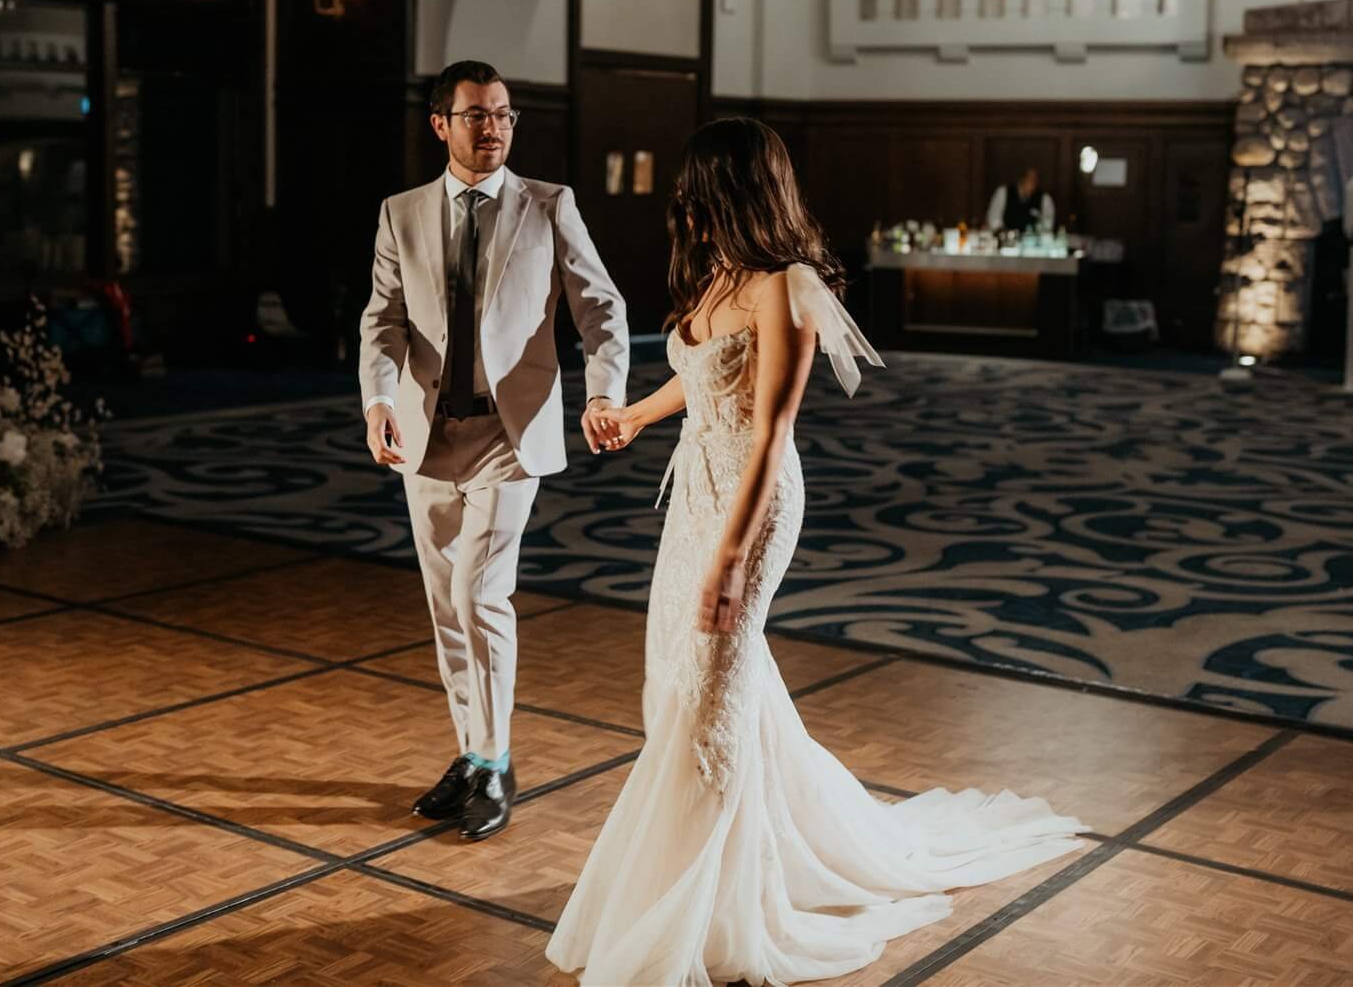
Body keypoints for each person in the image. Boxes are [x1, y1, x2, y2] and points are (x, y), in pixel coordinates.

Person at [549, 118, 1084, 986]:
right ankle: (760, 853)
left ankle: (712, 905)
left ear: (734, 186)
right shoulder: (720, 268)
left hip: (754, 508)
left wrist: (730, 557)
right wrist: (636, 416)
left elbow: (769, 430)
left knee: (714, 693)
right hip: (695, 498)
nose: (686, 201)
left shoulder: (787, 287)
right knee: (686, 678)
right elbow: (698, 375)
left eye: (699, 185)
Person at [358, 59, 629, 843]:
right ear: (441, 123)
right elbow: (383, 320)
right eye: (477, 115)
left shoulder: (549, 206)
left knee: (480, 595)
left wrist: (604, 390)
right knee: (447, 609)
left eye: (505, 114)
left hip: (512, 434)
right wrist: (379, 400)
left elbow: (601, 308)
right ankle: (473, 753)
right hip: (427, 432)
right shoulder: (400, 213)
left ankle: (498, 758)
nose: (495, 129)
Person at [985, 165, 1055, 234]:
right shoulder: (1003, 193)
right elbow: (994, 220)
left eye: (1035, 180)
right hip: (1007, 238)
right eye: (1030, 179)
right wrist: (1006, 233)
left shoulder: (1044, 198)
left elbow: (1048, 223)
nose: (1033, 184)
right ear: (1022, 179)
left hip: (1033, 240)